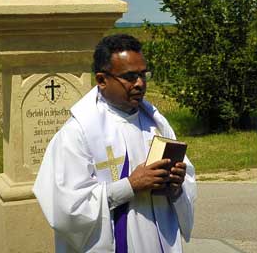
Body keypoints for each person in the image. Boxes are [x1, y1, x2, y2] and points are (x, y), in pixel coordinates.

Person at [34, 34, 196, 252]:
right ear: (102, 80)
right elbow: (66, 208)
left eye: (143, 75)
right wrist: (130, 186)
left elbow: (187, 181)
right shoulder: (78, 132)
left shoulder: (156, 123)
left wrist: (176, 186)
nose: (140, 83)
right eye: (130, 77)